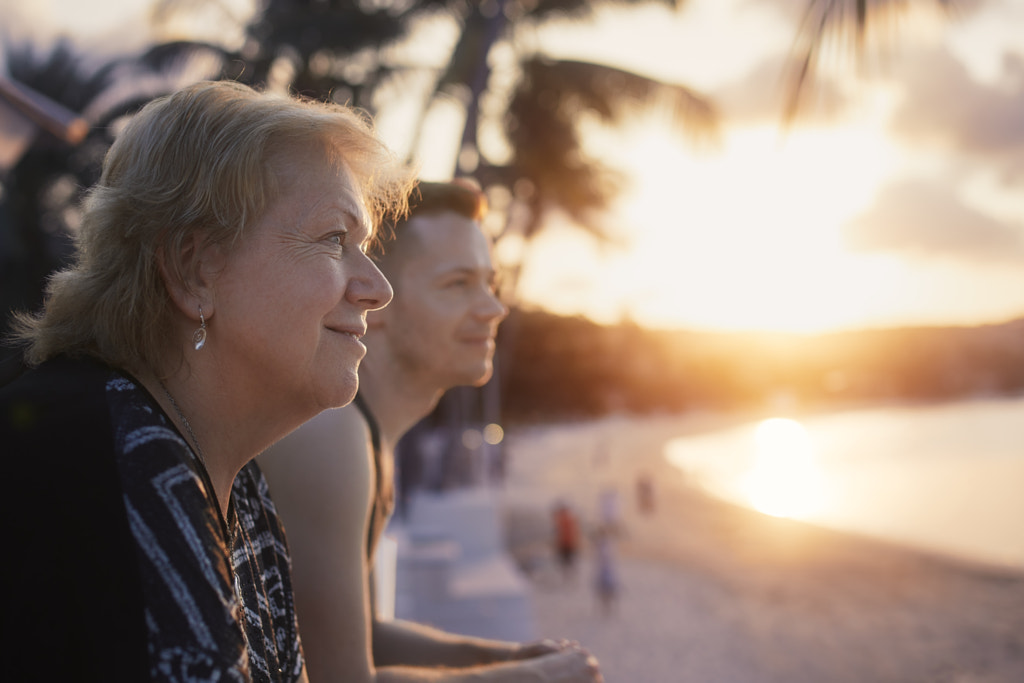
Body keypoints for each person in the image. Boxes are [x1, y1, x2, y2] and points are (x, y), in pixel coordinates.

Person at [0, 79, 415, 682]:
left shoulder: (224, 475)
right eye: (334, 240)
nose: (378, 288)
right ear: (194, 269)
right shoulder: (104, 468)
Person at [259, 181, 603, 682]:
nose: (492, 309)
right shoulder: (331, 433)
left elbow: (360, 635)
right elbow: (341, 678)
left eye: (490, 283)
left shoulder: (366, 436)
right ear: (373, 300)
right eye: (458, 284)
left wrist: (505, 658)